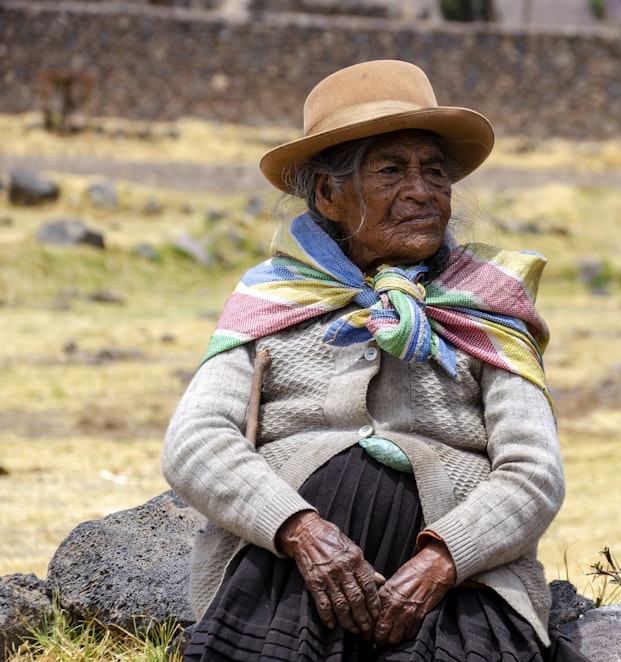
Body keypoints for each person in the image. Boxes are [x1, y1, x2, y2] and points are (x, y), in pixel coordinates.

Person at [161, 59, 589, 661]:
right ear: (330, 195)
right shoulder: (273, 296)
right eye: (391, 170)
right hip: (289, 576)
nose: (422, 191)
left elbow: (534, 472)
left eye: (434, 172)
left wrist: (446, 558)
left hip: (456, 592)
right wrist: (299, 529)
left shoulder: (487, 304)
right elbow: (195, 442)